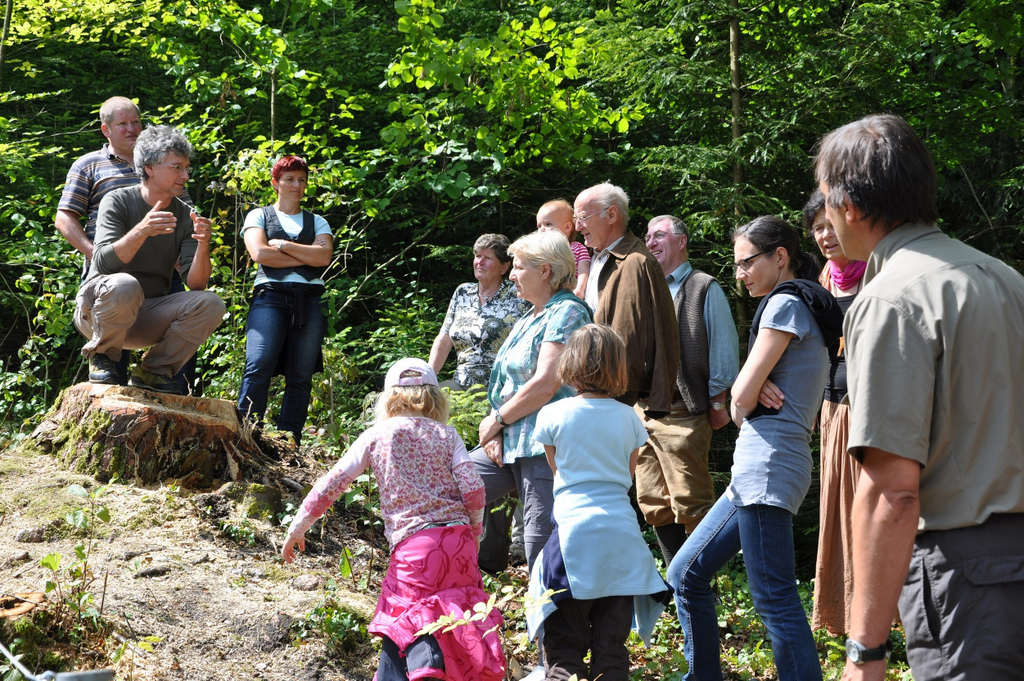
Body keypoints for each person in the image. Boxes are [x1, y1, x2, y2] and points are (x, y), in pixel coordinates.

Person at [816, 115, 1024, 681]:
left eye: (825, 200)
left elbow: (892, 492)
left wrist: (864, 652)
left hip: (967, 579)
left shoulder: (888, 301)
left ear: (850, 205)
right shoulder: (1005, 278)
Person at [667, 216, 841, 681]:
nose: (739, 273)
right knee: (685, 574)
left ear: (779, 256)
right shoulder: (791, 305)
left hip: (768, 464)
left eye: (747, 262)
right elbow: (746, 392)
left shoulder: (785, 304)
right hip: (756, 467)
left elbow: (740, 401)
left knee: (775, 599)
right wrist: (751, 386)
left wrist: (749, 388)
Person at [281, 358, 505, 681]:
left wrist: (298, 526)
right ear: (434, 398)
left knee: (407, 620)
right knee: (457, 622)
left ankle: (424, 670)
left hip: (415, 549)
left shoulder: (378, 435)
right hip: (459, 542)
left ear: (388, 398)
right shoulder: (447, 434)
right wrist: (474, 532)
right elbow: (474, 489)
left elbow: (333, 482)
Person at [527, 324, 672, 681]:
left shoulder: (552, 415)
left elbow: (556, 467)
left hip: (574, 542)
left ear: (570, 363)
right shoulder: (630, 419)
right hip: (622, 543)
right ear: (619, 367)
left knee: (564, 649)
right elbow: (628, 471)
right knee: (612, 651)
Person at [471, 230, 593, 573]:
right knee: (453, 484)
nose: (511, 274)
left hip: (544, 446)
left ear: (545, 270)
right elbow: (509, 384)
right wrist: (497, 429)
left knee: (541, 548)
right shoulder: (533, 314)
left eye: (520, 267)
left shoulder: (568, 312)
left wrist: (497, 421)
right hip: (511, 438)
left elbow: (545, 384)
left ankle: (550, 625)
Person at [57, 97, 197, 391]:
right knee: (110, 366)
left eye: (136, 122)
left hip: (163, 278)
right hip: (112, 278)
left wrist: (175, 256)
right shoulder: (89, 165)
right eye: (123, 124)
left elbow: (186, 228)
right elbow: (64, 218)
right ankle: (110, 418)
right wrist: (98, 255)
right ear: (105, 129)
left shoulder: (170, 166)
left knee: (178, 370)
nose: (132, 129)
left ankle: (159, 382)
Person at [73, 125, 225, 395]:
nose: (186, 175)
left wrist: (203, 245)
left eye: (187, 167)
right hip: (97, 313)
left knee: (211, 303)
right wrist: (142, 230)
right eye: (177, 167)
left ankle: (154, 371)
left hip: (146, 316)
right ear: (150, 167)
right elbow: (104, 264)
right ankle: (103, 356)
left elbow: (197, 284)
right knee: (125, 284)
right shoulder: (116, 200)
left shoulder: (186, 214)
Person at [640, 215, 740, 567]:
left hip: (685, 409)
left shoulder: (703, 286)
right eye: (648, 237)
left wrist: (717, 399)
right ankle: (677, 579)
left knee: (690, 501)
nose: (651, 243)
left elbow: (724, 350)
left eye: (659, 236)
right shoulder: (647, 287)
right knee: (652, 501)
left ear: (681, 242)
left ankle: (702, 590)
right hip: (644, 410)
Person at [801, 189, 867, 636]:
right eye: (817, 229)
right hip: (832, 411)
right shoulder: (826, 276)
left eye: (830, 225)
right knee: (840, 516)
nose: (825, 236)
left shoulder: (879, 272)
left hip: (873, 412)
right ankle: (852, 620)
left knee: (874, 513)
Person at [236, 155, 333, 445]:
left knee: (301, 375)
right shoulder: (259, 216)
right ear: (275, 182)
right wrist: (305, 254)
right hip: (271, 296)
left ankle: (289, 439)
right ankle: (245, 434)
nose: (297, 185)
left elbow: (324, 258)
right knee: (259, 362)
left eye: (302, 179)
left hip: (311, 301)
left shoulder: (318, 221)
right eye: (289, 179)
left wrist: (283, 245)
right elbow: (260, 255)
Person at [573, 182, 678, 417]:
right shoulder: (594, 259)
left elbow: (664, 333)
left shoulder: (638, 262)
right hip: (586, 384)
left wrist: (659, 395)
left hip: (611, 390)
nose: (578, 227)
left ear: (611, 214)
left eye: (582, 217)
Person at [428, 233, 529, 390]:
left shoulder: (517, 294)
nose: (480, 262)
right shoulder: (462, 292)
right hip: (461, 383)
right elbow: (444, 339)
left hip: (499, 387)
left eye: (487, 258)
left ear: (504, 267)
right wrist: (428, 378)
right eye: (477, 256)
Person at [536, 199, 590, 300]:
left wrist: (580, 289)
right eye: (539, 226)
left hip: (571, 295)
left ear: (567, 227)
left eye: (548, 224)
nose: (542, 229)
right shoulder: (540, 253)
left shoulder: (577, 248)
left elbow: (584, 270)